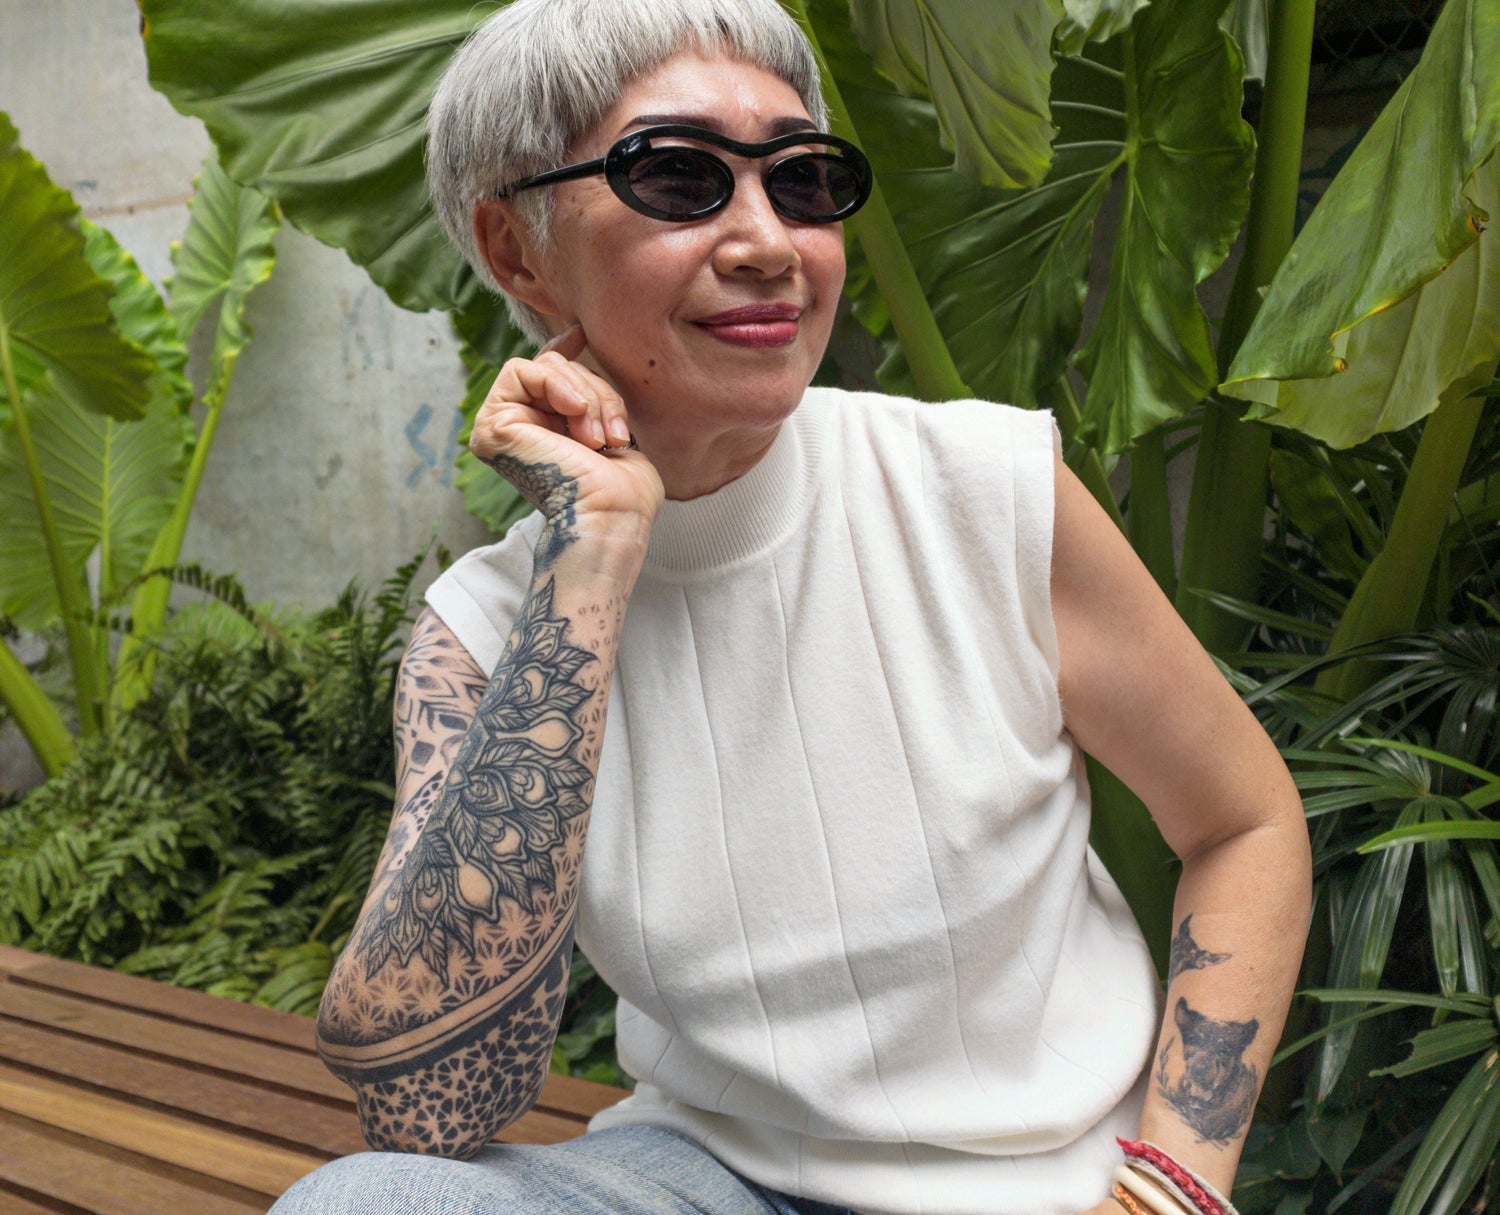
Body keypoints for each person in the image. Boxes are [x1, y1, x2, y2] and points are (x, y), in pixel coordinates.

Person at [272, 1, 1312, 1212]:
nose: (769, 240)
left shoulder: (981, 491)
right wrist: (592, 562)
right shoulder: (486, 623)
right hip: (708, 1177)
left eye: (804, 180)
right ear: (516, 250)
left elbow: (1244, 824)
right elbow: (427, 1109)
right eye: (677, 177)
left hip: (1040, 1184)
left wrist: (1172, 1187)